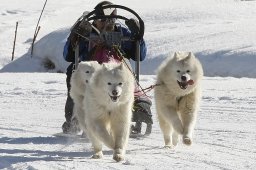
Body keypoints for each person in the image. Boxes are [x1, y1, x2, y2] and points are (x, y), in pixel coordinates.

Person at [62, 1, 152, 135]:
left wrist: (138, 37)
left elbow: (140, 56)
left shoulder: (121, 32)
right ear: (95, 21)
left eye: (111, 20)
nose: (107, 24)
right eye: (102, 20)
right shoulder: (86, 32)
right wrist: (74, 37)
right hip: (90, 76)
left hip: (114, 77)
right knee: (73, 70)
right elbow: (68, 55)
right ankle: (74, 119)